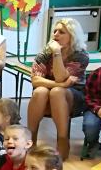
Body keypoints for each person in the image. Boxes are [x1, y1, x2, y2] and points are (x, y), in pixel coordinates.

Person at [27, 17, 90, 159]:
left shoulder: (81, 55)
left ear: (72, 36)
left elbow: (60, 76)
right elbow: (36, 80)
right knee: (40, 91)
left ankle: (62, 139)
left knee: (57, 92)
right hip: (48, 95)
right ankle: (31, 138)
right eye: (55, 31)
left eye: (61, 32)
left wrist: (57, 53)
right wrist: (61, 85)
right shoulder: (45, 53)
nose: (55, 34)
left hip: (73, 97)